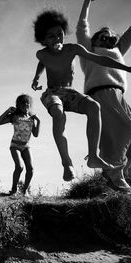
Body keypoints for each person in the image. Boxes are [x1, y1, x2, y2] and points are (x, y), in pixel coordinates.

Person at [31, 10, 131, 182]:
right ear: (43, 40)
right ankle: (67, 163)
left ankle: (94, 157)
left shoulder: (74, 49)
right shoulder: (44, 54)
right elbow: (43, 62)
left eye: (59, 34)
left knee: (95, 107)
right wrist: (37, 77)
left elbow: (103, 58)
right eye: (51, 36)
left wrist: (127, 68)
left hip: (72, 92)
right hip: (54, 93)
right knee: (58, 113)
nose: (56, 39)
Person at [76, 0, 131, 193]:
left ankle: (114, 175)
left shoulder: (116, 51)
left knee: (117, 137)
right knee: (124, 129)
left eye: (111, 40)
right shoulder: (88, 51)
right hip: (101, 94)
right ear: (95, 40)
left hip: (119, 96)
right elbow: (82, 27)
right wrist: (87, 2)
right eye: (103, 38)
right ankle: (115, 174)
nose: (108, 41)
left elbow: (129, 33)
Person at [0, 94, 40, 196]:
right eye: (23, 104)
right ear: (19, 106)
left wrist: (38, 121)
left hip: (26, 146)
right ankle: (14, 189)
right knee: (19, 167)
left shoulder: (31, 118)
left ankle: (25, 191)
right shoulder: (15, 117)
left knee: (30, 168)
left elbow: (36, 134)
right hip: (15, 145)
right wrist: (7, 111)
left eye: (27, 104)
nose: (25, 106)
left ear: (30, 105)